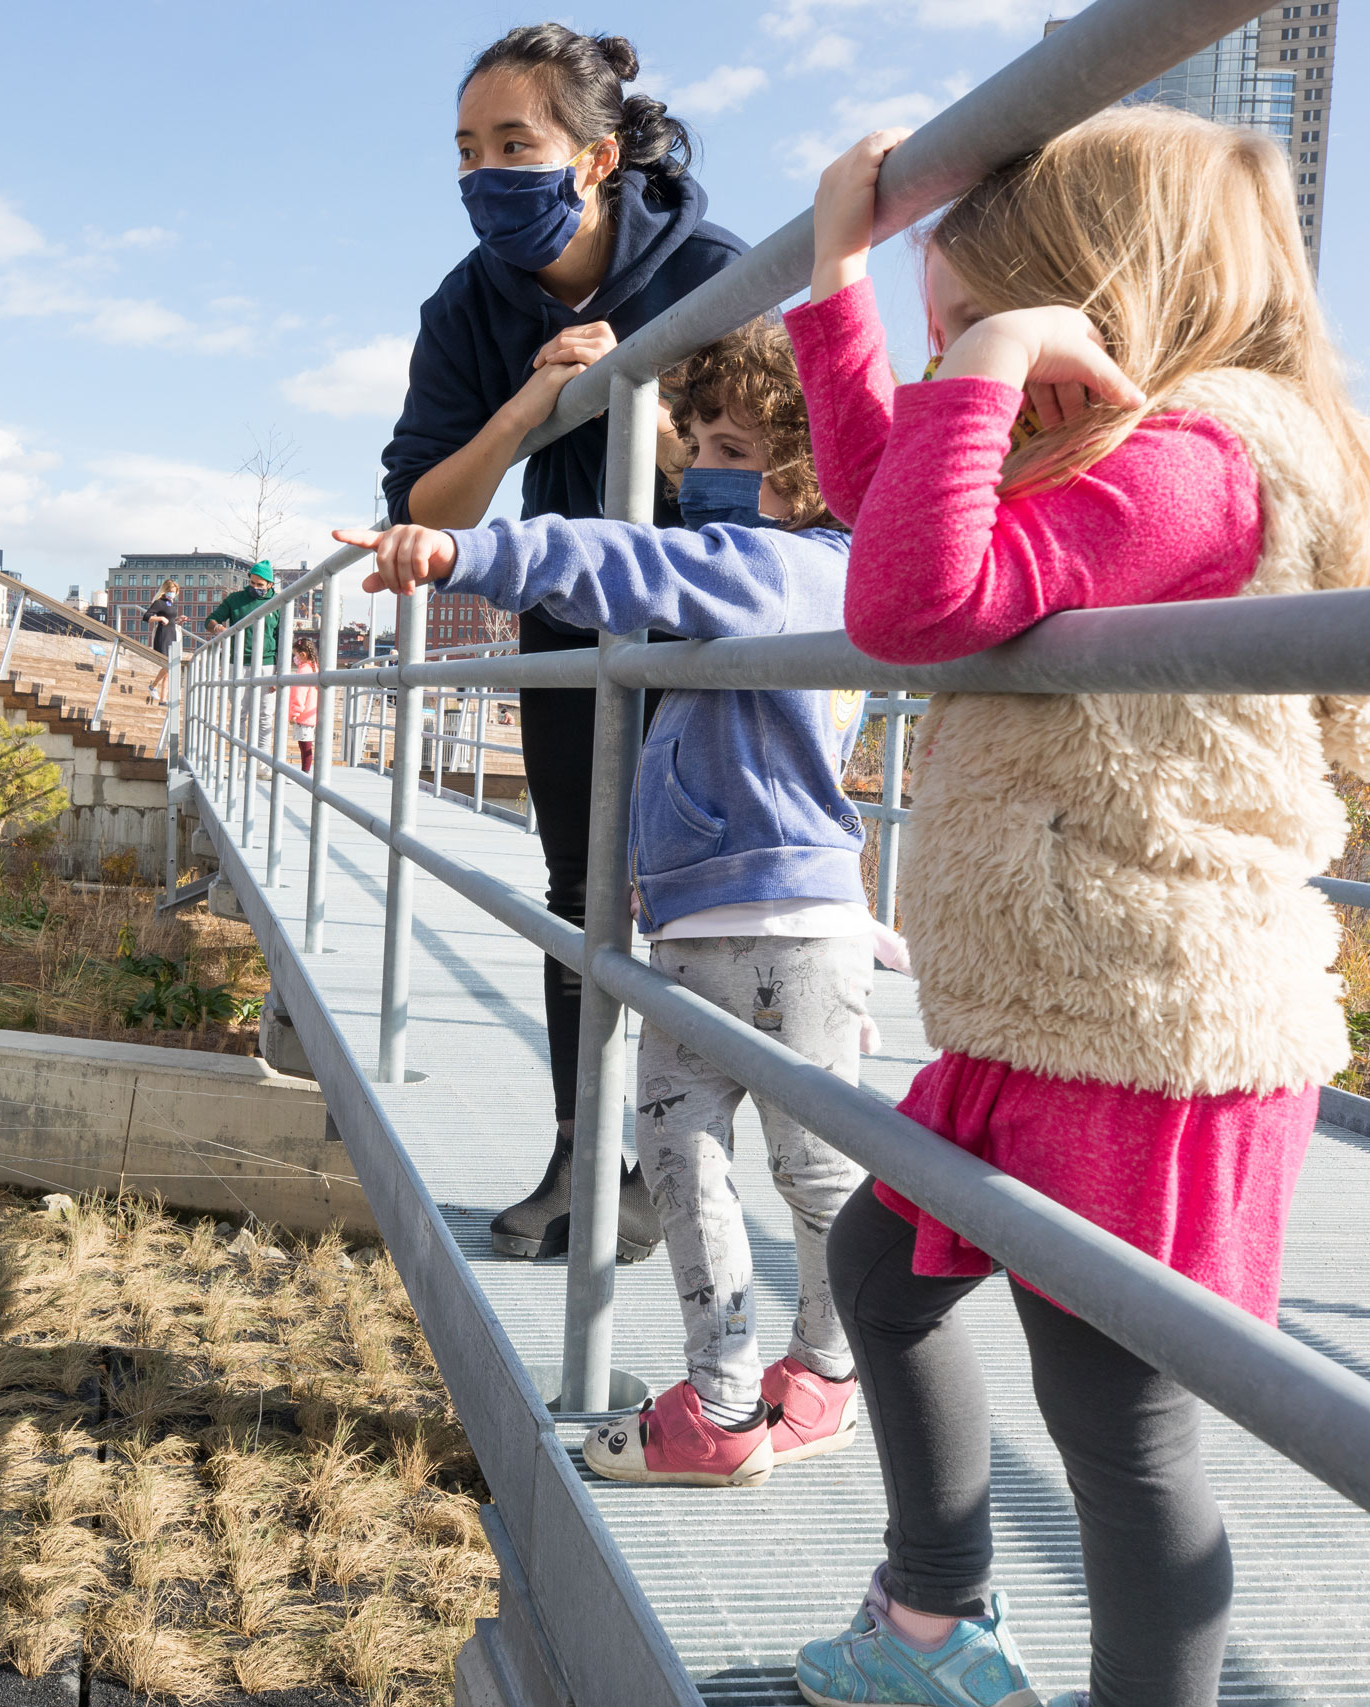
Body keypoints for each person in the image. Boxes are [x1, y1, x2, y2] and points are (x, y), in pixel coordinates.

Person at [782, 112, 1370, 1707]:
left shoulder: (1199, 462)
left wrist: (991, 364)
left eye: (967, 331)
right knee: (882, 1277)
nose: (951, 370)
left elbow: (907, 600)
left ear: (1092, 301)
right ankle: (936, 1624)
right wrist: (837, 285)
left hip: (1151, 1022)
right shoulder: (1125, 445)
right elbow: (887, 496)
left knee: (1121, 1425)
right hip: (1046, 990)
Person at [345, 316, 902, 1487]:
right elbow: (677, 534)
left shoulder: (798, 567)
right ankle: (720, 1399)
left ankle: (829, 1370)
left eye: (726, 448)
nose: (695, 467)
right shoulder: (755, 551)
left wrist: (469, 556)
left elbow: (638, 565)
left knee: (814, 1173)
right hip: (695, 924)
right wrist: (626, 400)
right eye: (687, 441)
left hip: (792, 928)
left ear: (801, 475)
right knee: (681, 1163)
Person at [382, 21, 749, 1264]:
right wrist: (534, 407)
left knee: (711, 909)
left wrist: (629, 394)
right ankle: (587, 1152)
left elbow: (780, 490)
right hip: (572, 620)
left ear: (594, 158)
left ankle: (695, 1163)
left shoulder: (711, 271)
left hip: (707, 625)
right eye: (469, 150)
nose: (488, 173)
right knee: (584, 895)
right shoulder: (468, 302)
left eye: (515, 145)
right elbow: (427, 509)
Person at [204, 561, 281, 663]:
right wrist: (220, 629)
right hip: (238, 661)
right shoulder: (234, 599)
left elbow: (282, 636)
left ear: (270, 584)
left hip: (266, 663)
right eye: (252, 583)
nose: (255, 587)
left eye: (260, 584)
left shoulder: (278, 602)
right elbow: (209, 621)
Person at [143, 579, 183, 704]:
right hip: (163, 635)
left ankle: (162, 699)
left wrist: (178, 620)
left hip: (172, 635)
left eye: (174, 592)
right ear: (165, 591)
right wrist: (160, 618)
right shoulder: (159, 602)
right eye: (170, 591)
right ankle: (153, 686)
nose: (172, 594)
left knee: (168, 670)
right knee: (168, 666)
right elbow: (146, 617)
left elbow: (170, 620)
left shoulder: (171, 604)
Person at [288, 636, 320, 772]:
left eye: (295, 655)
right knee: (306, 745)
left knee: (305, 746)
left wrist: (295, 713)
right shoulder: (315, 669)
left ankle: (304, 772)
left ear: (302, 655)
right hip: (311, 714)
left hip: (304, 715)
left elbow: (299, 693)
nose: (294, 658)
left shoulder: (303, 671)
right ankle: (305, 771)